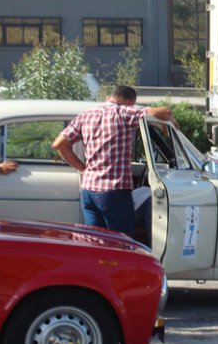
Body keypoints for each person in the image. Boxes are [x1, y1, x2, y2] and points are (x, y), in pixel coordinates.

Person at [52, 85, 174, 237]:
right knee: (121, 241)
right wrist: (169, 120)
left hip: (89, 189)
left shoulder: (86, 115)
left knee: (95, 240)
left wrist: (83, 169)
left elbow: (59, 144)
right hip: (114, 191)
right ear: (129, 102)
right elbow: (165, 112)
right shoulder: (123, 113)